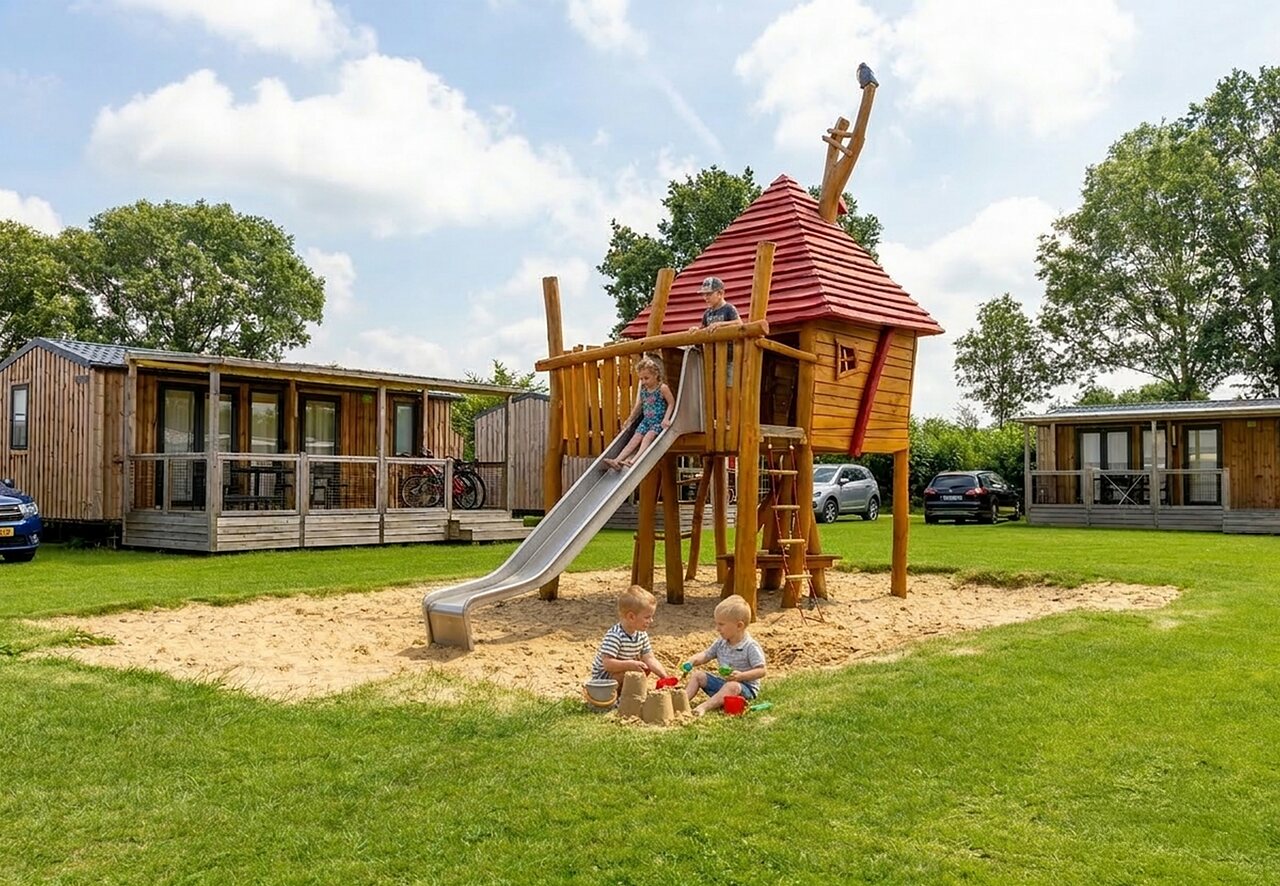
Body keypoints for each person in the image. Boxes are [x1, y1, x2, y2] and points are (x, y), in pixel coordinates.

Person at [681, 594, 767, 716]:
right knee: (698, 675)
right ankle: (682, 702)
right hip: (723, 685)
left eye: (721, 624)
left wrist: (741, 676)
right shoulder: (721, 642)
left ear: (739, 626)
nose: (717, 628)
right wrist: (693, 660)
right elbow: (707, 655)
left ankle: (704, 707)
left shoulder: (750, 646)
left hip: (743, 689)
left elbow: (761, 671)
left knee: (732, 686)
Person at [604, 354, 675, 470]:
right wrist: (630, 419)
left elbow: (671, 403)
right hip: (646, 421)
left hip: (657, 422)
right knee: (635, 438)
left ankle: (634, 460)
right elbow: (639, 405)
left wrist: (666, 419)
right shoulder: (644, 390)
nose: (643, 381)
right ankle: (617, 461)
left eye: (646, 378)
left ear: (656, 375)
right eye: (641, 379)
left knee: (648, 437)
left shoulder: (662, 388)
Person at [591, 585, 669, 689]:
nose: (651, 621)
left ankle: (628, 693)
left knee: (645, 667)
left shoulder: (641, 634)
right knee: (632, 672)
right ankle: (616, 696)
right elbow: (608, 664)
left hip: (625, 671)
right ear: (631, 617)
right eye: (647, 617)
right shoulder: (615, 635)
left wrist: (664, 677)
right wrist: (630, 664)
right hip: (604, 678)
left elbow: (649, 658)